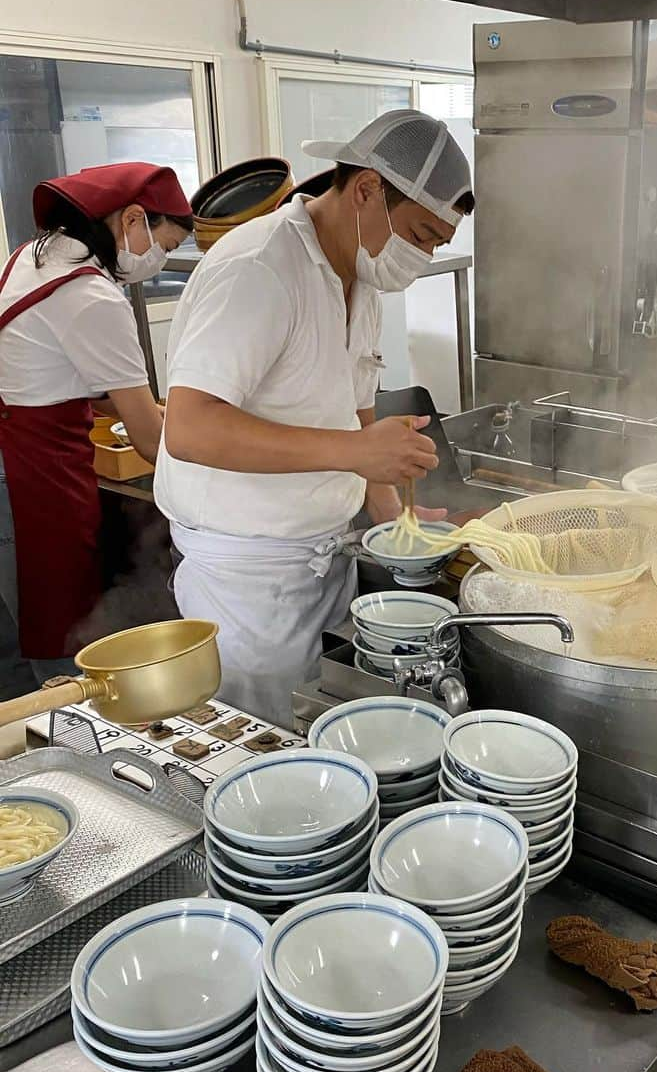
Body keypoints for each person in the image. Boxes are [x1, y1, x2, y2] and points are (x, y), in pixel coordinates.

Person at [155, 110, 474, 724]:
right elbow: (190, 428)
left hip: (326, 566)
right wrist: (354, 454)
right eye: (423, 234)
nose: (425, 254)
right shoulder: (259, 268)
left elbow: (355, 418)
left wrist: (395, 515)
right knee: (264, 755)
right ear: (365, 191)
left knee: (323, 736)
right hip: (250, 587)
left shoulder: (359, 278)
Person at [0, 162, 193, 682]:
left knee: (21, 617)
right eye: (167, 247)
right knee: (56, 614)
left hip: (23, 449)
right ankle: (60, 725)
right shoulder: (91, 296)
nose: (160, 260)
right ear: (133, 220)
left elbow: (87, 387)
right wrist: (226, 472)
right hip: (32, 471)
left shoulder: (33, 257)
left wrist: (194, 417)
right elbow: (149, 441)